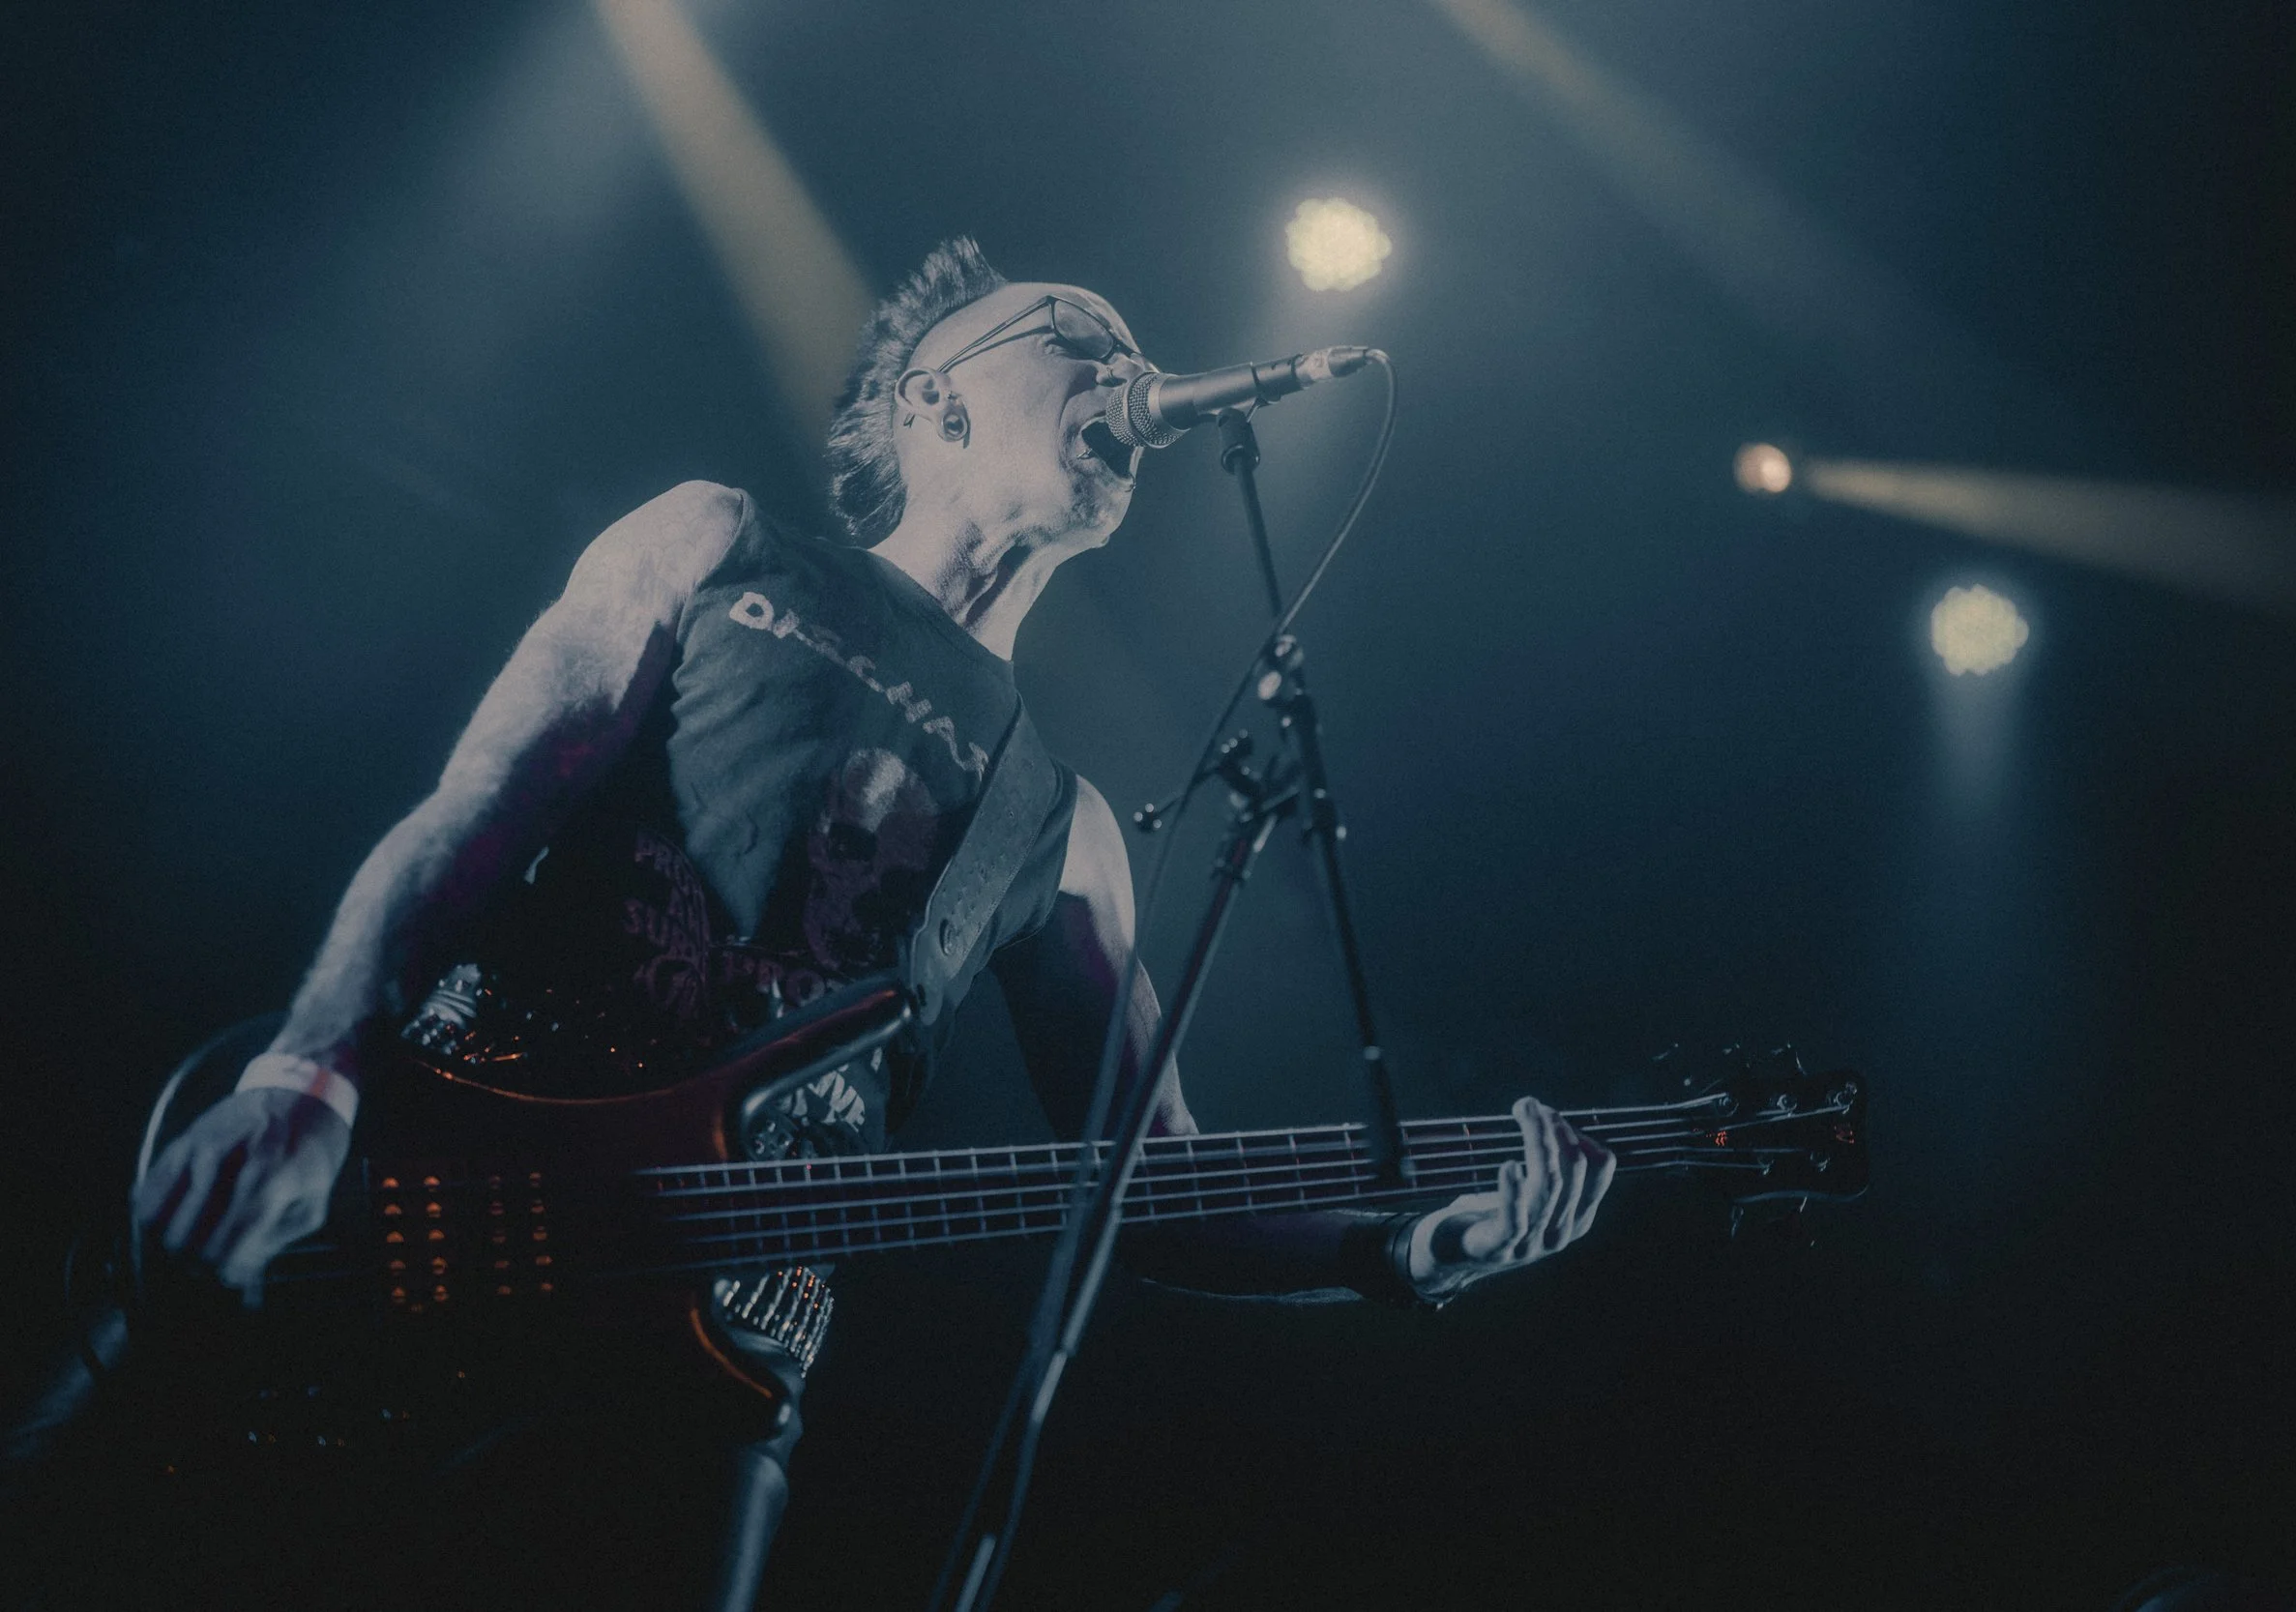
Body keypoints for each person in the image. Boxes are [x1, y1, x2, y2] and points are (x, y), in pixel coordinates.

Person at [126, 239, 1614, 1609]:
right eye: (1077, 338)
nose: (1128, 374)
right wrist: (306, 1081)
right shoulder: (715, 542)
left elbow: (1156, 1185)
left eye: (1132, 351)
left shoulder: (1063, 819)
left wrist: (1402, 1246)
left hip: (710, 1373)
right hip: (445, 1198)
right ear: (933, 406)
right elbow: (475, 812)